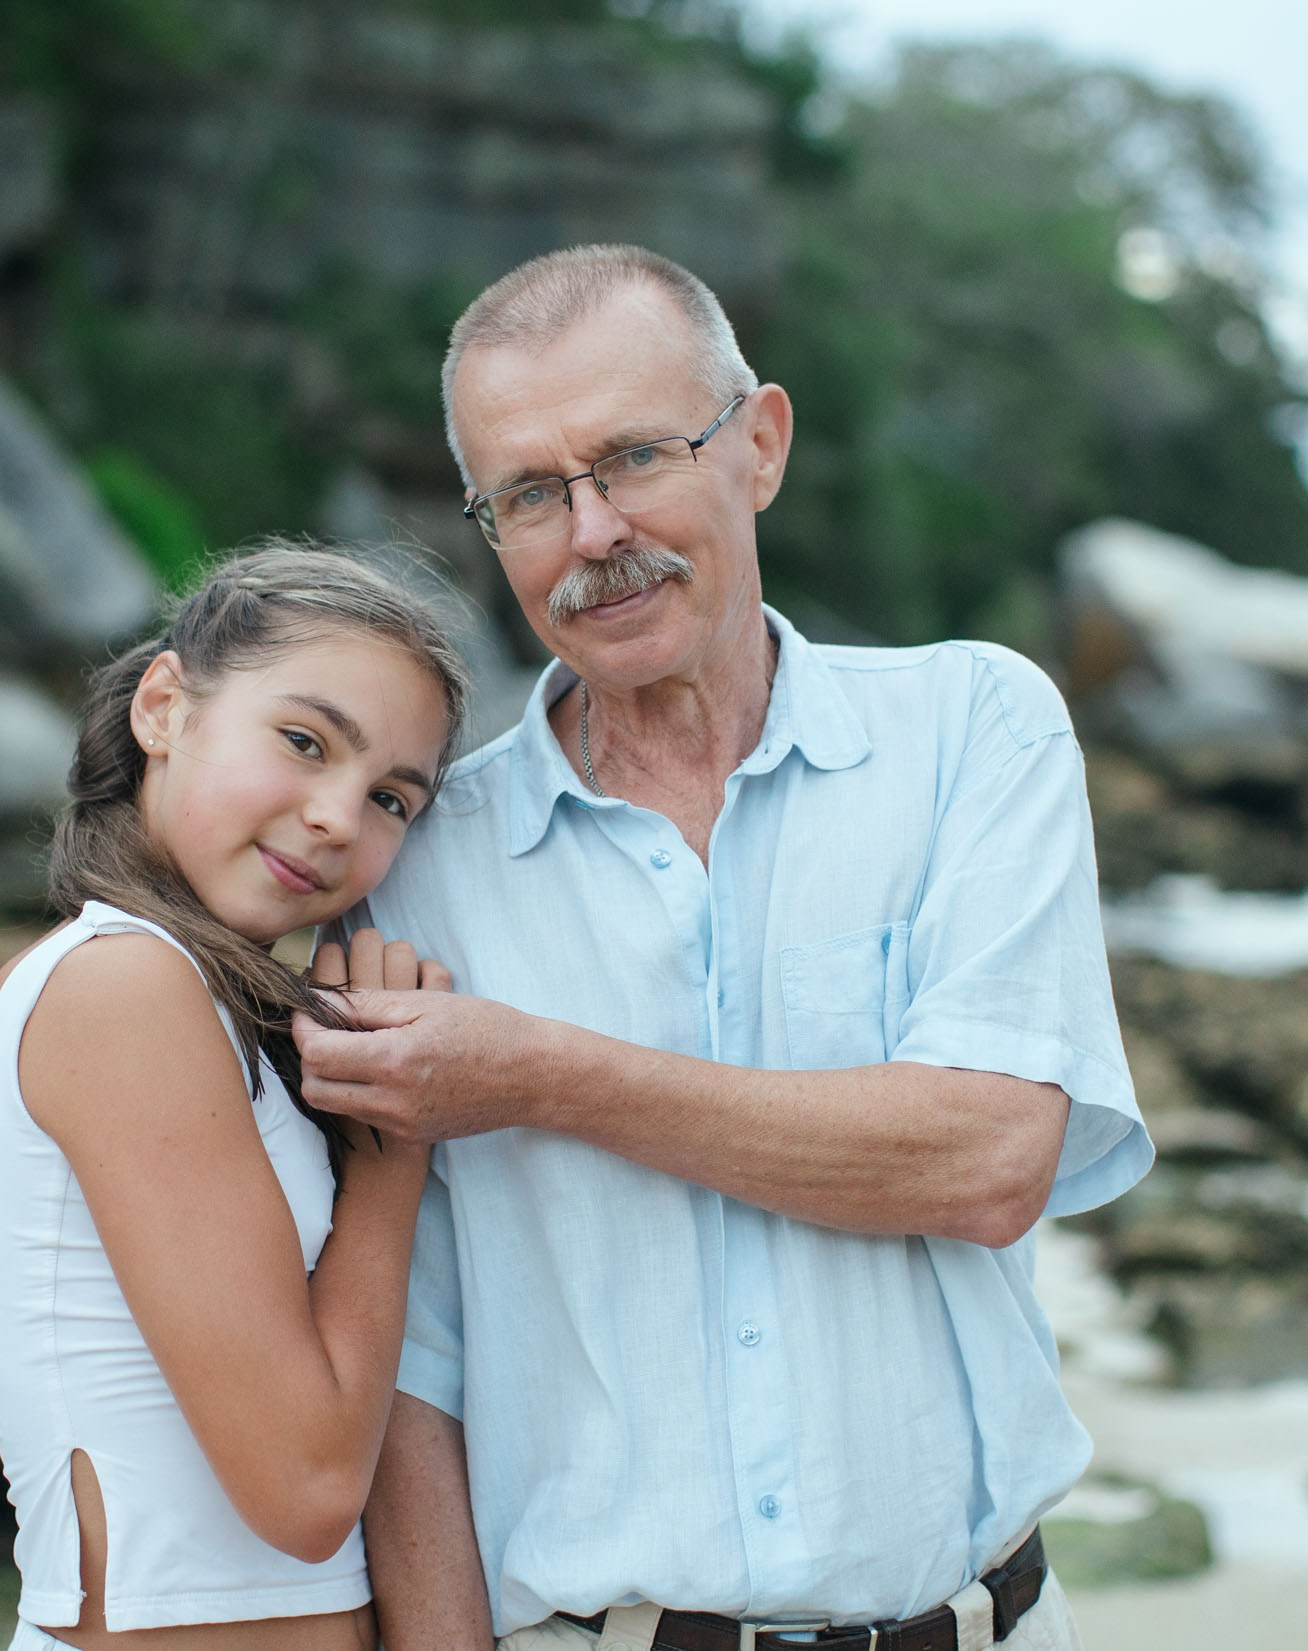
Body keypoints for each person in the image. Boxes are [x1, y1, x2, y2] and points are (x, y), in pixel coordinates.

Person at [295, 246, 1153, 1651]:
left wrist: (541, 1074)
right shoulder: (423, 863)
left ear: (760, 444)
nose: (590, 533)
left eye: (632, 456)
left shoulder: (974, 730)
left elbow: (990, 1157)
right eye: (528, 493)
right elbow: (412, 1364)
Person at [0, 547, 471, 1651]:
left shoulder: (197, 1002)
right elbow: (304, 1481)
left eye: (389, 797)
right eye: (302, 740)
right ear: (164, 707)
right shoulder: (124, 986)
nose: (337, 815)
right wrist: (389, 1141)